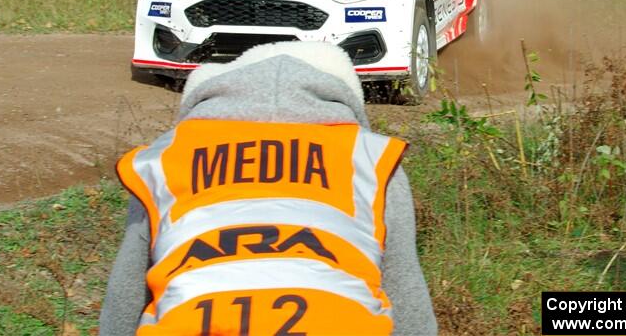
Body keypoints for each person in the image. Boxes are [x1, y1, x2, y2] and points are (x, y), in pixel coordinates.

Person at [100, 41, 438, 336]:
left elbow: (125, 301)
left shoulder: (167, 159)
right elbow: (408, 306)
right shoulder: (370, 161)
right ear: (342, 98)